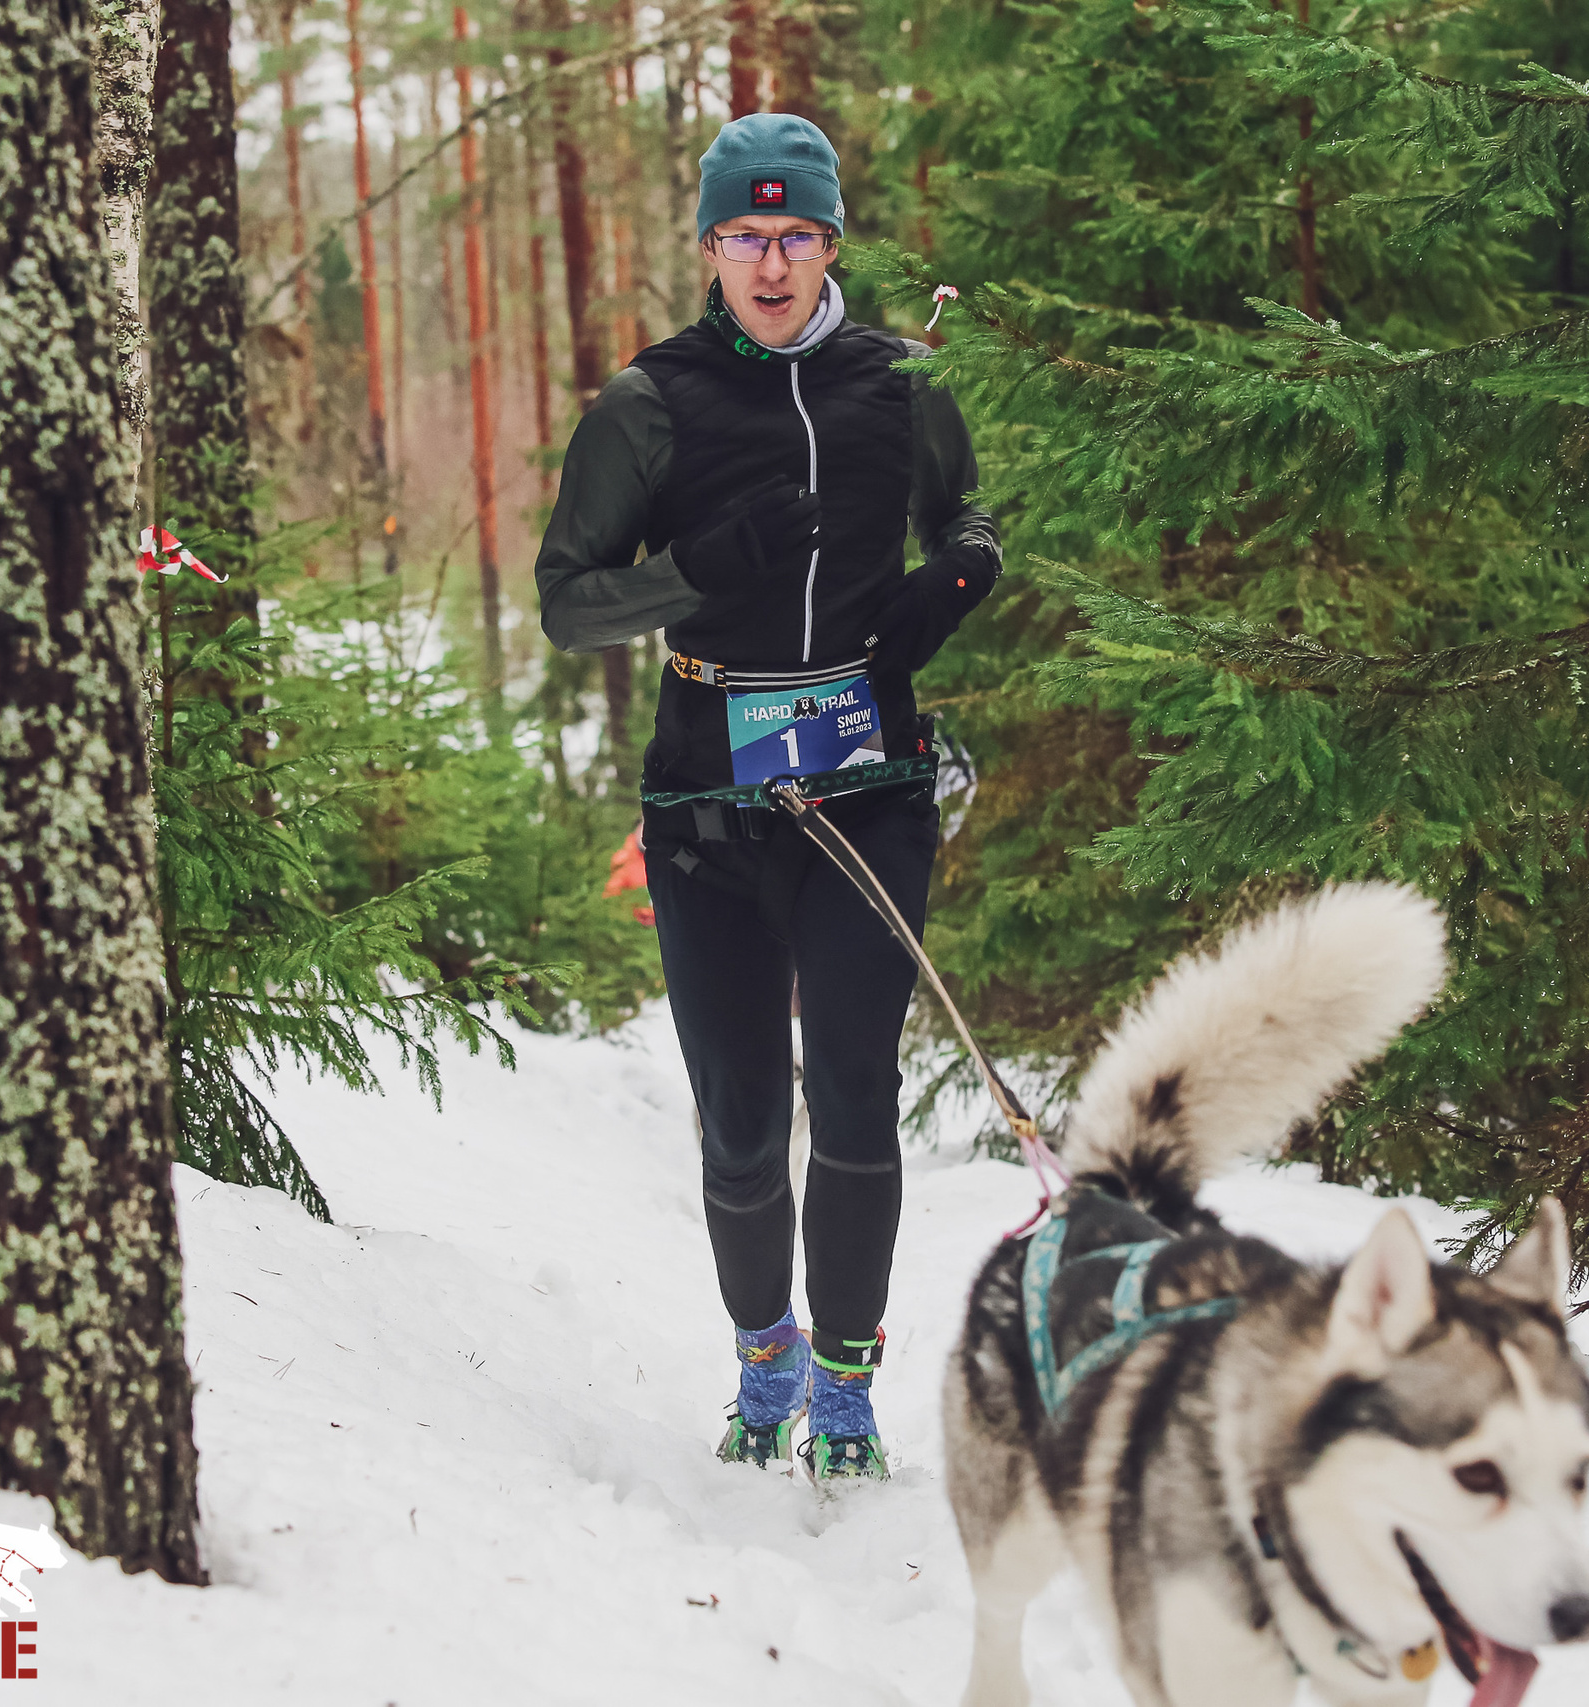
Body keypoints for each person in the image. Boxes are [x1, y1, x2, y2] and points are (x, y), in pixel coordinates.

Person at [533, 113, 1000, 1482]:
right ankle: (764, 1356)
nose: (774, 262)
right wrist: (698, 571)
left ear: (832, 242)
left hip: (868, 778)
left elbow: (964, 516)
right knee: (741, 1115)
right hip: (706, 805)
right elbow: (566, 603)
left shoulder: (899, 386)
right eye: (747, 236)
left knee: (854, 1089)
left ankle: (848, 1385)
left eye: (798, 235)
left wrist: (956, 583)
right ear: (711, 248)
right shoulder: (649, 403)